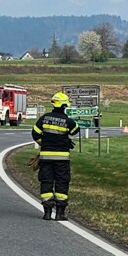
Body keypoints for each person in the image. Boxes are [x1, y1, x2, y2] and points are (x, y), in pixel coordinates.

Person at [32, 92, 76, 220]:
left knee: (46, 182)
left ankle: (47, 212)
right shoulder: (67, 121)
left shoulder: (44, 118)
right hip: (62, 158)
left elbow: (35, 133)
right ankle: (60, 213)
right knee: (62, 183)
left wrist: (44, 143)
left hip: (45, 157)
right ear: (64, 106)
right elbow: (75, 129)